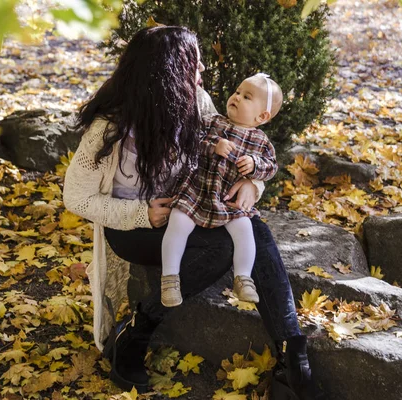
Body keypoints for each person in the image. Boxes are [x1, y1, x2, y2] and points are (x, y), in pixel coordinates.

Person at [63, 26, 323, 399]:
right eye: (194, 64)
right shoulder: (111, 127)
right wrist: (140, 213)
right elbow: (76, 197)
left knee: (253, 229)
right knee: (223, 248)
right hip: (135, 229)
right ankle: (136, 333)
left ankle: (293, 359)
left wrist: (253, 185)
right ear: (169, 70)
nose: (201, 71)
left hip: (195, 209)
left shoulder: (194, 101)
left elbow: (233, 148)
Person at [161, 73, 282, 307]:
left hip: (227, 199)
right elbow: (191, 143)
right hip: (197, 190)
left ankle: (243, 277)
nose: (236, 97)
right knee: (178, 222)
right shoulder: (213, 122)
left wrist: (255, 166)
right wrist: (213, 146)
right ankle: (169, 279)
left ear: (262, 116)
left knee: (245, 230)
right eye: (237, 92)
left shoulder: (261, 141)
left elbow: (271, 167)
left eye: (246, 97)